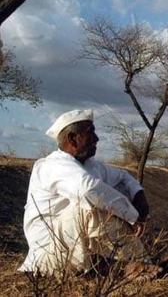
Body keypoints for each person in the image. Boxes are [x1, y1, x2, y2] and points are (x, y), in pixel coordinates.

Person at [18, 109, 150, 275]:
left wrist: (139, 196)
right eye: (90, 133)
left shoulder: (90, 165)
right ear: (72, 139)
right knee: (90, 206)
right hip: (50, 253)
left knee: (116, 191)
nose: (96, 138)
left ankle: (138, 262)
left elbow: (123, 177)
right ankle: (139, 264)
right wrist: (133, 217)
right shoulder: (52, 165)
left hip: (73, 246)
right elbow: (88, 190)